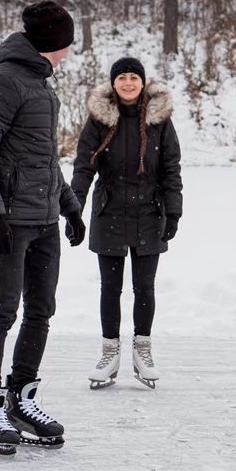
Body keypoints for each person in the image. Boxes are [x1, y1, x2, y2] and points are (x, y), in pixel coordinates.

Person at [0, 0, 86, 457]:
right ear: (55, 42)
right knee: (2, 310)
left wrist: (70, 207)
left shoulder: (40, 85)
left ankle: (20, 398)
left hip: (43, 219)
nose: (71, 48)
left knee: (41, 311)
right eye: (68, 40)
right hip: (10, 220)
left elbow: (43, 160)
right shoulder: (3, 83)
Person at [70, 57, 182, 390]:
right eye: (122, 78)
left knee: (144, 287)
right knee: (110, 287)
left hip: (150, 212)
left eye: (134, 77)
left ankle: (142, 351)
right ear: (114, 83)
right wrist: (74, 210)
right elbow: (83, 167)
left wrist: (173, 211)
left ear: (143, 82)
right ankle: (109, 354)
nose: (129, 83)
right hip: (110, 212)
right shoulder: (99, 120)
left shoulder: (159, 120)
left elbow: (171, 168)